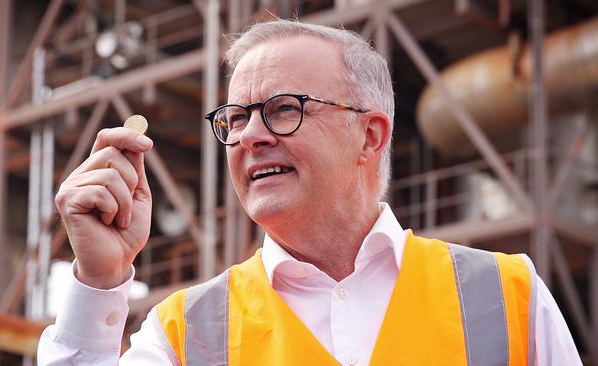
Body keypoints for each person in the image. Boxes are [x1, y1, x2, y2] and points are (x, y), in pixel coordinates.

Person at [38, 19, 581, 365]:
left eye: (283, 109)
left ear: (370, 136)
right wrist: (101, 283)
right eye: (235, 117)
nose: (250, 136)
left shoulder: (510, 299)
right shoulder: (184, 334)